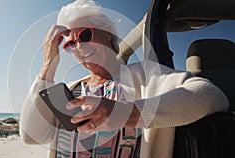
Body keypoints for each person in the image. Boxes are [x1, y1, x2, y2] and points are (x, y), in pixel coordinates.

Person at [19, 0, 229, 158]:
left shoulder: (144, 76)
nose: (79, 47)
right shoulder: (72, 90)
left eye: (84, 35)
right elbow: (30, 136)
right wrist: (47, 68)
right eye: (70, 44)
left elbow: (212, 96)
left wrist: (126, 113)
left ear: (108, 34)